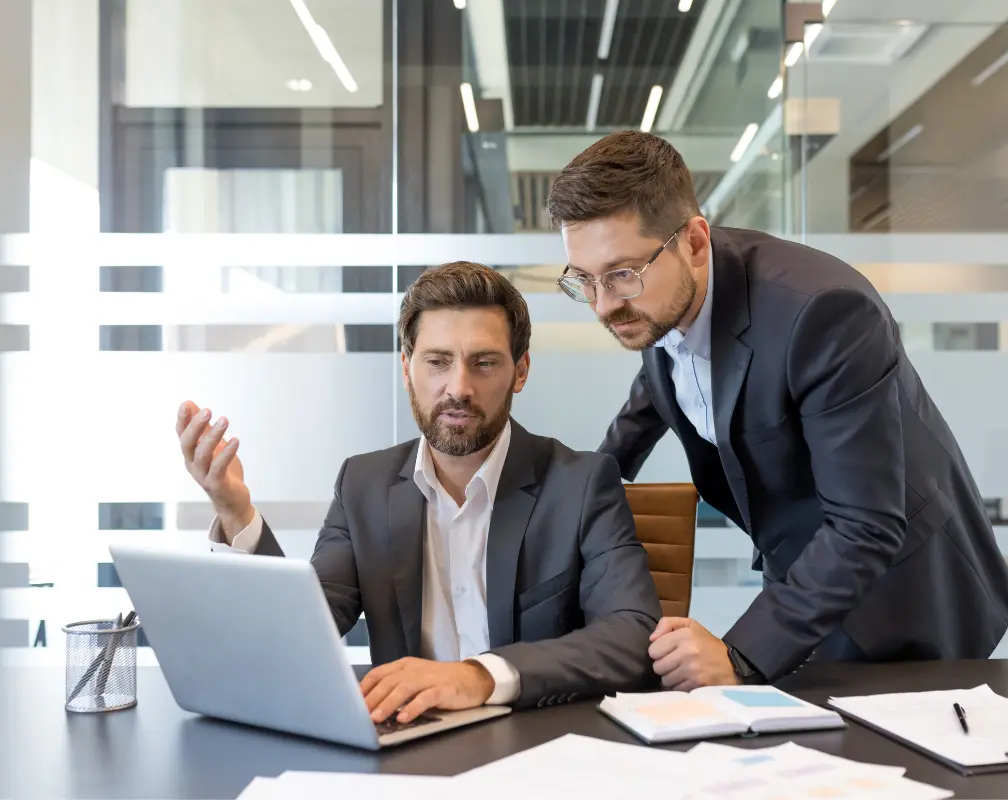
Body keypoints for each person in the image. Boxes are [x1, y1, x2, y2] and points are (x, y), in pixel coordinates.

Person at [546, 131, 1008, 690]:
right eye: (584, 279)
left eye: (622, 274)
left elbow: (864, 524)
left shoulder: (823, 313)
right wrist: (575, 495)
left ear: (694, 242)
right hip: (802, 576)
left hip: (902, 595)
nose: (603, 305)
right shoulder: (660, 297)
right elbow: (658, 382)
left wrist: (739, 655)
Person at [175, 261, 661, 723]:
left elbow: (630, 634)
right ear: (407, 366)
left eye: (484, 363)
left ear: (520, 370)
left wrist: (479, 678)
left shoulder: (580, 483)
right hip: (409, 744)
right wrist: (235, 511)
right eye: (437, 362)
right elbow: (300, 631)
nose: (459, 387)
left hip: (537, 747)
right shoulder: (362, 485)